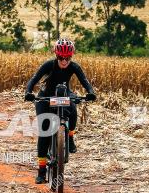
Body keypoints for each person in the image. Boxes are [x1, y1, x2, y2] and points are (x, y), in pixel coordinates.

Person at [24, 37, 97, 184]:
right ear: (56, 55)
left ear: (71, 57)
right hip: (45, 96)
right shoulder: (48, 65)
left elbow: (85, 81)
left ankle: (69, 138)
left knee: (74, 109)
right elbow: (34, 78)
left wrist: (90, 92)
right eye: (61, 58)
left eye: (68, 58)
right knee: (45, 132)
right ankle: (42, 170)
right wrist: (28, 92)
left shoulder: (74, 67)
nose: (64, 61)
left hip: (64, 94)